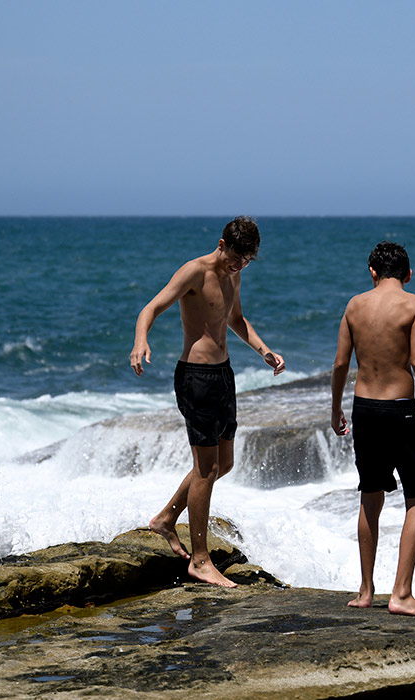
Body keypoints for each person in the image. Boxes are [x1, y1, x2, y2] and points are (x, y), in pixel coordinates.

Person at [130, 216, 285, 588]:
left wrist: (264, 350)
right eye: (234, 257)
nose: (238, 265)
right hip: (195, 378)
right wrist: (140, 341)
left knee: (223, 463)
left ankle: (166, 519)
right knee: (207, 469)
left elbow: (235, 318)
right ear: (221, 243)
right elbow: (149, 308)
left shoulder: (235, 275)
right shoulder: (194, 272)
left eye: (246, 260)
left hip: (224, 375)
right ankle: (199, 561)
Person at [330, 241, 415, 619]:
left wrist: (336, 408)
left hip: (364, 410)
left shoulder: (354, 305)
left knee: (371, 494)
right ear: (408, 274)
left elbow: (339, 364)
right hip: (401, 412)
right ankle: (401, 593)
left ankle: (366, 591)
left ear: (372, 272)